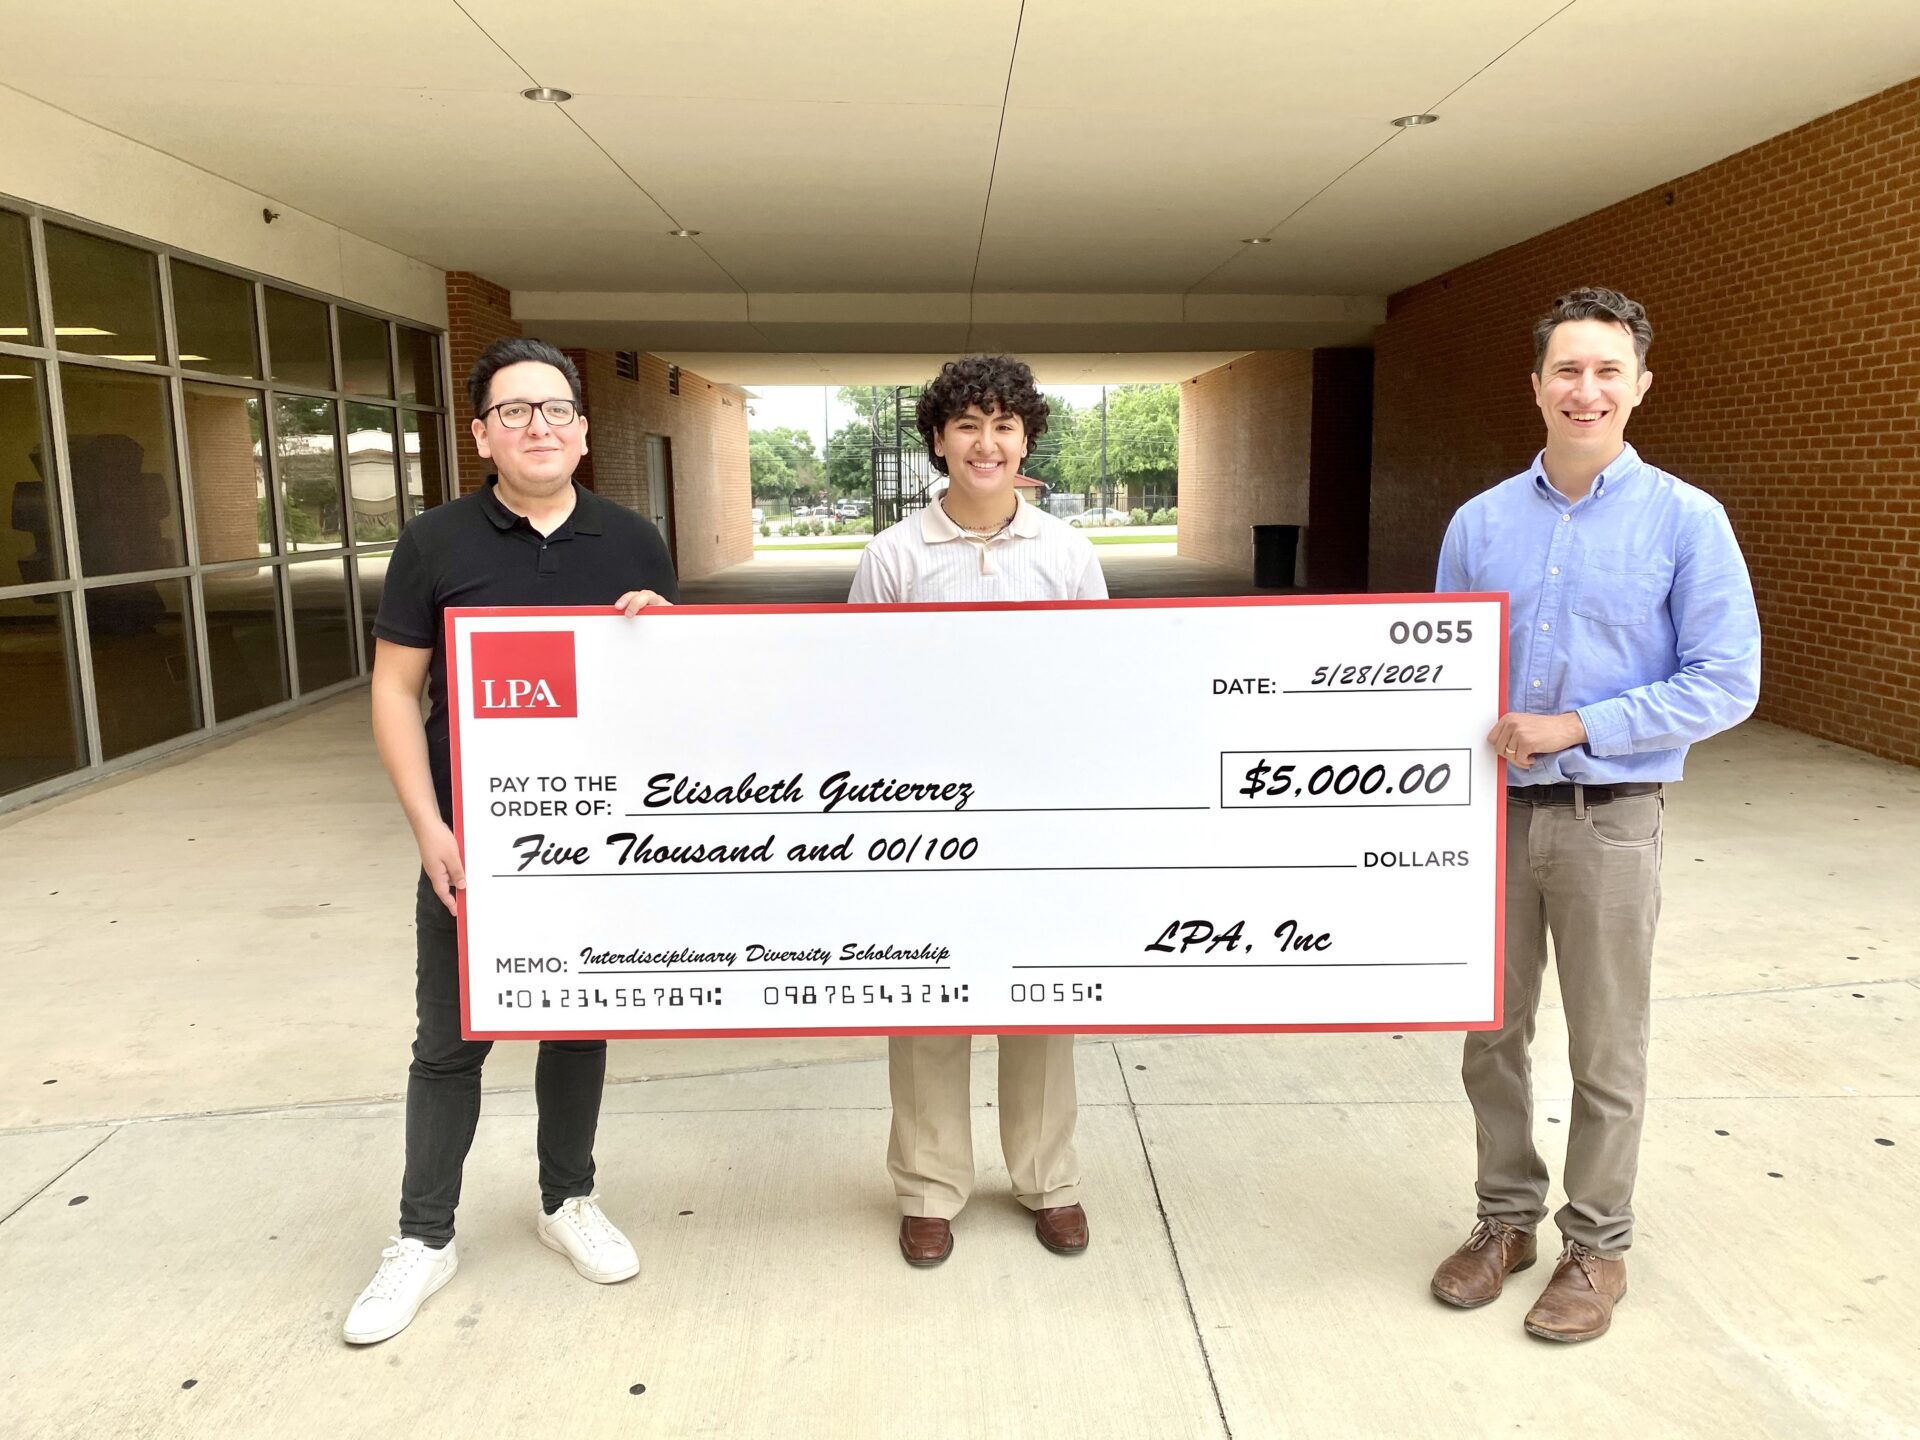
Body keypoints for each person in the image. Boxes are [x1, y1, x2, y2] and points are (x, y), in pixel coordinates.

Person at [1431, 287, 1760, 1342]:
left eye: (1607, 370)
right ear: (1536, 385)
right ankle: (1505, 1220)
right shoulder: (1480, 523)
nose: (1587, 389)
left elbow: (1727, 680)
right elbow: (1438, 672)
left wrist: (1578, 724)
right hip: (1493, 823)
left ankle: (1597, 1245)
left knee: (1606, 1046)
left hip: (1610, 818)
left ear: (1640, 386)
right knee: (1490, 1034)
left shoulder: (1686, 520)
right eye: (1567, 370)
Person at [343, 337, 677, 1344]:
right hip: (473, 847)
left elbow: (673, 702)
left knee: (575, 1024)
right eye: (514, 411)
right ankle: (423, 1237)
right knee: (449, 1044)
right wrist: (428, 825)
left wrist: (670, 636)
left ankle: (567, 1199)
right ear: (482, 435)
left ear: (583, 429)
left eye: (556, 409)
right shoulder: (434, 542)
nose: (539, 426)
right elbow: (395, 691)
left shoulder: (634, 541)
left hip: (595, 843)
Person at [848, 354, 1107, 1267]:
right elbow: (859, 690)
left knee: (1040, 992)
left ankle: (1048, 1180)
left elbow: (1100, 684)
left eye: (1003, 425)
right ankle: (928, 1188)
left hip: (1039, 813)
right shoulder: (894, 556)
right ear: (938, 441)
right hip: (925, 816)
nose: (985, 443)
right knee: (928, 993)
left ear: (1025, 440)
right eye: (967, 425)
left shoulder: (1067, 554)